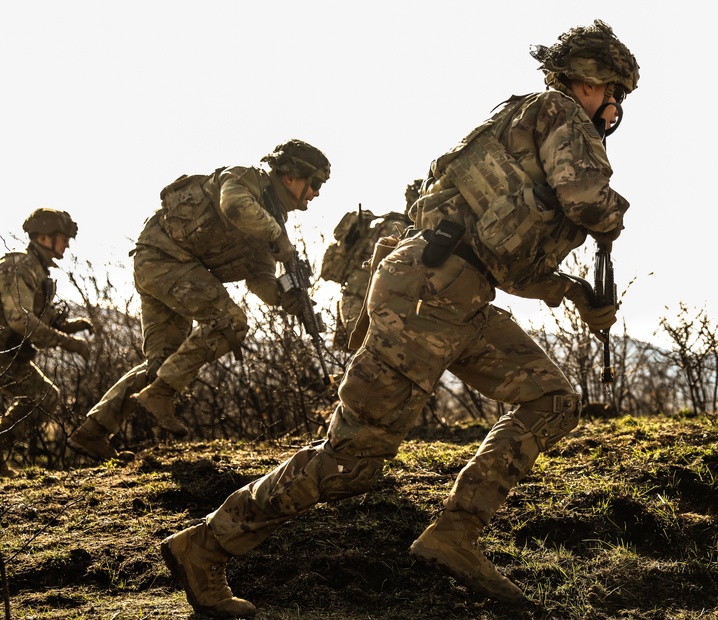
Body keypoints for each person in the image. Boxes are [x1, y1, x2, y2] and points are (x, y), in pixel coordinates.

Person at [161, 20, 638, 618]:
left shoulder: (525, 134)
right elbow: (588, 200)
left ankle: (455, 534)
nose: (610, 105)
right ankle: (205, 545)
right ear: (576, 79)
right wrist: (614, 217)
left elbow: (508, 261)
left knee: (551, 402)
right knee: (349, 464)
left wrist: (571, 289)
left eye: (619, 95)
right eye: (604, 88)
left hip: (459, 298)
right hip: (424, 296)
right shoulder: (559, 114)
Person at [67, 140, 330, 460]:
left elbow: (259, 276)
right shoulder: (246, 179)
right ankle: (161, 393)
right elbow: (234, 207)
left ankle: (92, 433)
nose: (316, 193)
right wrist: (276, 234)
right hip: (164, 259)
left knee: (165, 363)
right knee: (230, 322)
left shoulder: (272, 217)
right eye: (315, 183)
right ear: (290, 176)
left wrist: (287, 298)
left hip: (168, 266)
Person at [0, 209, 94, 477]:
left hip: (7, 354)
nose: (66, 244)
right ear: (43, 237)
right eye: (62, 238)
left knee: (44, 396)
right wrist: (68, 343)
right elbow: (20, 320)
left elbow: (39, 314)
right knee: (44, 396)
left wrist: (69, 325)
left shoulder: (35, 269)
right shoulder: (19, 266)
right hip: (3, 353)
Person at [320, 180, 421, 349]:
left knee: (354, 363)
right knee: (368, 359)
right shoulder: (399, 230)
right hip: (362, 305)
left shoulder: (395, 225)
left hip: (358, 301)